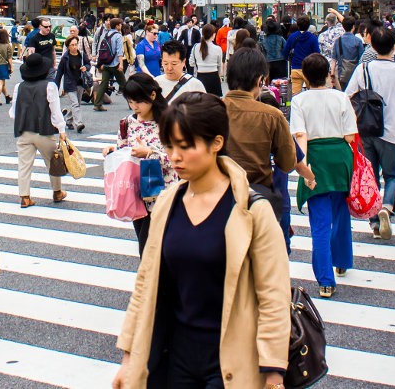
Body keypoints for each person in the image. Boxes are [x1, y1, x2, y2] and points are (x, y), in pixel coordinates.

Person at [111, 93, 290, 389]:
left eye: (186, 146)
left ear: (216, 143)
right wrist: (129, 358)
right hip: (174, 355)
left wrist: (273, 375)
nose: (175, 157)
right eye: (169, 146)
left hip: (232, 359)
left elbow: (273, 294)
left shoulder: (252, 210)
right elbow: (145, 284)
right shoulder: (168, 203)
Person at [289, 53, 355, 298]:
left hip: (316, 158)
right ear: (329, 73)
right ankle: (341, 261)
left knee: (319, 222)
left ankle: (326, 281)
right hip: (340, 157)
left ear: (304, 76)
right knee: (341, 213)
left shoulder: (300, 100)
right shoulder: (341, 97)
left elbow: (300, 136)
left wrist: (305, 168)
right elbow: (350, 136)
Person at [345, 27, 395, 240]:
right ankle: (387, 207)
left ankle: (374, 222)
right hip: (393, 130)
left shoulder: (363, 69)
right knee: (393, 174)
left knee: (371, 176)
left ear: (372, 46)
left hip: (366, 128)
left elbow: (347, 96)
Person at [220, 47, 301, 221]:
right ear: (259, 80)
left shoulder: (212, 109)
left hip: (218, 197)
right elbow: (287, 163)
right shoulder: (272, 115)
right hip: (258, 198)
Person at [103, 73, 173, 253]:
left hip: (162, 194)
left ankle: (150, 280)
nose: (134, 107)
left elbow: (177, 158)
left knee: (147, 249)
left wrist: (149, 152)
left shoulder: (168, 121)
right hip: (136, 194)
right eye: (130, 102)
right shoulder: (127, 123)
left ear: (152, 95)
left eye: (138, 102)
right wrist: (113, 153)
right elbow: (123, 151)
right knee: (148, 247)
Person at [10, 53, 67, 209]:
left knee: (24, 165)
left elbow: (13, 113)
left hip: (24, 131)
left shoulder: (19, 87)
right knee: (53, 162)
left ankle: (25, 196)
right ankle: (57, 192)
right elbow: (55, 111)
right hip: (44, 131)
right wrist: (61, 129)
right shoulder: (50, 86)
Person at [54, 36, 87, 133]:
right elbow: (59, 72)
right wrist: (56, 86)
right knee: (75, 104)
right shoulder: (65, 58)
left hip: (80, 82)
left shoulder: (81, 55)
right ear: (68, 46)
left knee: (77, 104)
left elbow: (88, 64)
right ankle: (79, 123)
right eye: (72, 45)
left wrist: (86, 67)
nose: (74, 47)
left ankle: (68, 120)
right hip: (69, 83)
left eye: (76, 44)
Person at [156, 39, 205, 104]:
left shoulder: (195, 85)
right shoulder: (155, 83)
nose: (169, 68)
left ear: (184, 62)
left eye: (174, 64)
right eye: (165, 63)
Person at [94, 17, 127, 112]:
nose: (121, 26)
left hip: (106, 63)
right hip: (115, 63)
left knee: (103, 84)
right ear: (117, 26)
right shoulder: (118, 36)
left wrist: (100, 63)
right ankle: (132, 102)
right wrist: (121, 64)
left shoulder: (106, 34)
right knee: (124, 84)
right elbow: (119, 51)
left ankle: (97, 104)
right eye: (120, 24)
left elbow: (100, 49)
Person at [285, 15, 319, 97]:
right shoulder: (312, 38)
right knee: (313, 92)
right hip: (309, 69)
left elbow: (285, 51)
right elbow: (317, 54)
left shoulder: (292, 36)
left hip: (296, 68)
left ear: (297, 25)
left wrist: (288, 58)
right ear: (308, 26)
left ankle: (296, 108)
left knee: (295, 94)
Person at [189, 22, 224, 97]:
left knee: (201, 100)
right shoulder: (218, 49)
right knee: (214, 101)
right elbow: (220, 65)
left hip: (200, 76)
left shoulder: (195, 47)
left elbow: (191, 63)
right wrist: (220, 77)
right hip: (214, 77)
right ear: (213, 34)